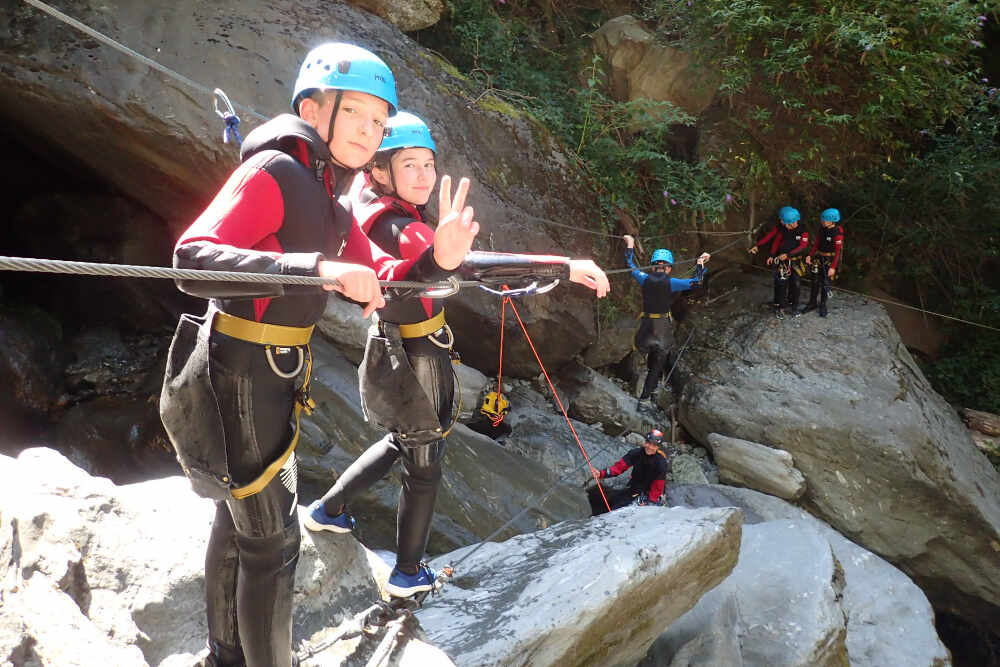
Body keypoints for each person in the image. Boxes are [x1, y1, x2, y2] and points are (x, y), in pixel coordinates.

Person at [159, 44, 478, 667]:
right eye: (355, 114)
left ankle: (227, 657)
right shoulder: (275, 173)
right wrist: (315, 268)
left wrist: (440, 258)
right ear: (312, 109)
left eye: (379, 122)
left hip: (269, 377)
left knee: (243, 521)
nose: (370, 130)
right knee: (272, 542)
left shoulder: (331, 199)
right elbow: (191, 259)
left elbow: (389, 283)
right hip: (239, 373)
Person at [305, 110, 611, 598]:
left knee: (402, 440)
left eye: (428, 163)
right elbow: (468, 267)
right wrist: (563, 265)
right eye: (410, 165)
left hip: (388, 346)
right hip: (420, 355)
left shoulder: (361, 204)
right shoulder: (405, 229)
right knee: (424, 465)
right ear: (379, 171)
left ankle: (329, 510)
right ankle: (408, 573)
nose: (425, 175)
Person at [622, 235, 709, 401]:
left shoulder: (643, 278)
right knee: (658, 359)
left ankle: (649, 387)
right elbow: (697, 282)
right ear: (669, 268)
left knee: (651, 354)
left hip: (646, 326)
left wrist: (630, 245)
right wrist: (700, 263)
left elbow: (629, 265)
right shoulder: (673, 283)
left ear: (652, 267)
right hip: (662, 327)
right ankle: (646, 396)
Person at [586, 429, 670, 514]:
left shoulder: (661, 463)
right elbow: (618, 468)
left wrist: (650, 502)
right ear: (645, 442)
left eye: (654, 445)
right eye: (648, 443)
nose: (650, 447)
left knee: (619, 512)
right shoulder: (635, 454)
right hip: (633, 489)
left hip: (649, 494)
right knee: (610, 505)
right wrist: (601, 474)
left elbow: (658, 485)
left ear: (658, 447)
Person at [748, 206, 809, 319]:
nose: (782, 223)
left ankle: (794, 307)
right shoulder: (782, 227)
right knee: (781, 284)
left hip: (795, 261)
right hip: (782, 261)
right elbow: (772, 239)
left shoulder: (803, 230)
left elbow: (803, 246)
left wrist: (788, 255)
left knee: (795, 285)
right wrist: (760, 247)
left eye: (784, 221)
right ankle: (780, 307)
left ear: (793, 221)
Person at [802, 208, 844, 317]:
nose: (822, 221)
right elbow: (816, 244)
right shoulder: (822, 229)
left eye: (824, 220)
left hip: (829, 260)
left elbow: (838, 251)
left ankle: (823, 304)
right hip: (819, 258)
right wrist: (809, 255)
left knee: (825, 283)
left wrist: (833, 267)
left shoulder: (837, 233)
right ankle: (812, 303)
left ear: (832, 221)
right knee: (814, 281)